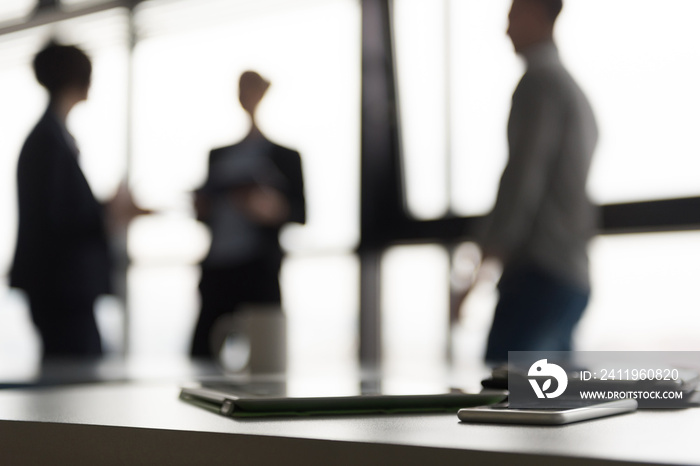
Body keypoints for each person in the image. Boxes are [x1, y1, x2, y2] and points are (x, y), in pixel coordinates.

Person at [455, 0, 598, 363]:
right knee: (552, 402)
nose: (506, 30)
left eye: (512, 17)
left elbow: (522, 183)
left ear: (536, 12)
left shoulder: (540, 84)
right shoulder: (573, 91)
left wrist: (476, 276)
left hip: (539, 276)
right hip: (568, 275)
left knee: (506, 399)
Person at [10, 42, 145, 358]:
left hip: (58, 287)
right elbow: (59, 220)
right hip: (61, 288)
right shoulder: (48, 140)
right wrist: (110, 213)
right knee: (75, 373)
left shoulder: (51, 136)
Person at [190, 71, 306, 358]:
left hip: (258, 271)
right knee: (202, 355)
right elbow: (206, 212)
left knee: (265, 358)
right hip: (218, 269)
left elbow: (299, 211)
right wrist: (203, 208)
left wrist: (270, 208)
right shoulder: (218, 154)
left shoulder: (285, 156)